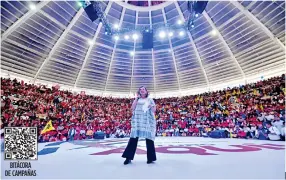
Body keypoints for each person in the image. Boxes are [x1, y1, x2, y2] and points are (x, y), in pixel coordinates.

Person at [122, 86, 157, 165]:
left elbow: (154, 110)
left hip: (147, 121)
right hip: (137, 121)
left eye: (143, 89)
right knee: (133, 139)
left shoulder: (150, 100)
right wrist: (136, 99)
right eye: (140, 89)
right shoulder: (137, 100)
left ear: (146, 91)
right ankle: (128, 157)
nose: (142, 90)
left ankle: (151, 158)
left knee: (149, 139)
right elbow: (133, 108)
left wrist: (151, 106)